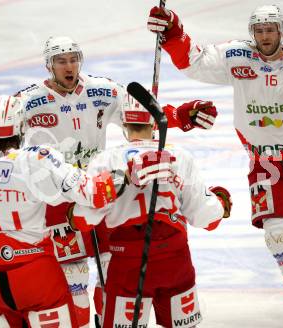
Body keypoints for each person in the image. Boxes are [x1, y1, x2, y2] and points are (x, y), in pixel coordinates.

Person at [147, 4, 283, 326]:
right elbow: (193, 61)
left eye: (271, 30)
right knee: (276, 233)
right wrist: (174, 33)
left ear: (281, 31)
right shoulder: (237, 57)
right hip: (265, 164)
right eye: (260, 31)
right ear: (253, 34)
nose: (265, 36)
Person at [15, 35, 220, 326]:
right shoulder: (28, 100)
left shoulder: (102, 90)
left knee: (113, 267)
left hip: (106, 190)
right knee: (73, 274)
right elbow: (0, 132)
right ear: (49, 65)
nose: (69, 66)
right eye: (61, 61)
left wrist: (181, 114)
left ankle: (107, 318)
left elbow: (141, 111)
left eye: (73, 59)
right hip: (61, 198)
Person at [0, 49, 125, 327]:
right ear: (21, 124)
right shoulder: (36, 160)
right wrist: (119, 176)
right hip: (34, 272)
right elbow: (93, 192)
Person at [69, 95, 232, 328]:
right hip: (175, 260)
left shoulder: (105, 160)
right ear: (154, 122)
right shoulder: (181, 156)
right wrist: (220, 201)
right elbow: (204, 216)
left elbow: (83, 220)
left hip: (127, 264)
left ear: (124, 124)